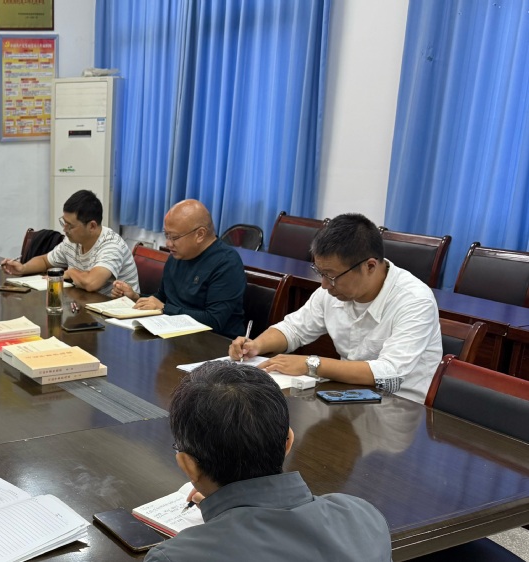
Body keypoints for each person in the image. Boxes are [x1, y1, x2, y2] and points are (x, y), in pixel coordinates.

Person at [145, 361, 391, 562]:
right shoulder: (363, 519)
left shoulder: (174, 557)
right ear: (288, 442)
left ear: (188, 465)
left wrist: (227, 509)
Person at [229, 213, 441, 403]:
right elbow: (294, 328)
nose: (324, 285)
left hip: (400, 408)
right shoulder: (333, 289)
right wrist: (256, 345)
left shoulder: (415, 300)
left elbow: (389, 372)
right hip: (347, 396)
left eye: (331, 276)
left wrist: (311, 364)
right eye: (320, 273)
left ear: (370, 266)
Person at [111, 199, 246, 337]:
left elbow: (214, 321)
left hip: (213, 341)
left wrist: (165, 309)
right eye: (166, 235)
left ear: (200, 234)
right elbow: (163, 298)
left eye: (174, 237)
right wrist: (136, 297)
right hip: (173, 333)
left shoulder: (226, 263)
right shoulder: (177, 256)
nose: (168, 243)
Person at [0, 190, 139, 297]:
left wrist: (71, 272)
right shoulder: (72, 241)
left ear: (92, 226)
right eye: (64, 223)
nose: (64, 229)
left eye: (70, 225)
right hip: (86, 306)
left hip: (117, 313)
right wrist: (23, 268)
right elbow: (45, 260)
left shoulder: (111, 245)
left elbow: (92, 283)